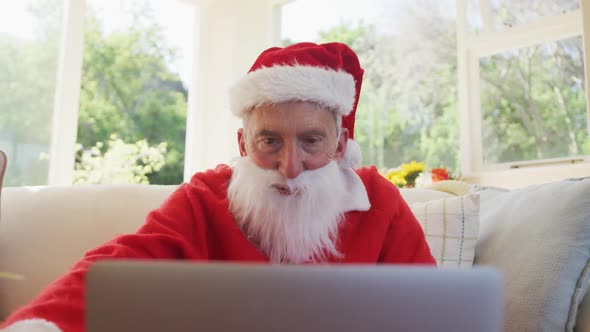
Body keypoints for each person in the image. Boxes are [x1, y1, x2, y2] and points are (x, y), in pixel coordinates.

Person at [1, 42, 435, 332]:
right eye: (269, 141)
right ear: (243, 143)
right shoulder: (205, 197)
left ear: (340, 145)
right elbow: (113, 272)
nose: (290, 167)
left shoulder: (379, 201)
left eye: (311, 141)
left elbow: (431, 310)